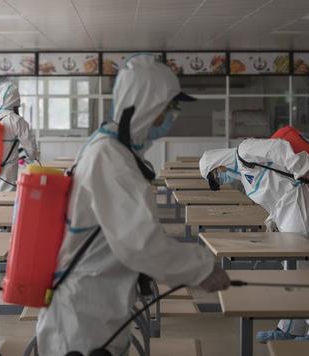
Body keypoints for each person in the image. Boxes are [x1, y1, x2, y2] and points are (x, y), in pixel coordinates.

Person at [36, 54, 230, 356]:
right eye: (170, 107)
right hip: (81, 319)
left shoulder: (115, 150)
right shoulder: (108, 155)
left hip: (100, 306)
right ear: (149, 106)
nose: (172, 115)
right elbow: (140, 244)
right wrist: (201, 268)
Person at [199, 139, 309, 341]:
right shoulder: (244, 175)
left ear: (219, 164)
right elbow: (274, 194)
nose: (222, 179)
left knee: (308, 273)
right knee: (292, 273)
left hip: (303, 209)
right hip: (288, 215)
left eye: (217, 175)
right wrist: (272, 220)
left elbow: (277, 147)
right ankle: (290, 328)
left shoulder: (245, 150)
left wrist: (304, 170)